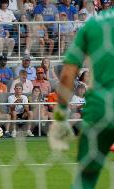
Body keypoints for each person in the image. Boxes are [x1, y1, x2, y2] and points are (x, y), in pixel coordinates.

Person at [48, 8, 114, 189]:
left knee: (86, 178)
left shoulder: (94, 24)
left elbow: (68, 75)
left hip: (99, 108)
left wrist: (61, 117)